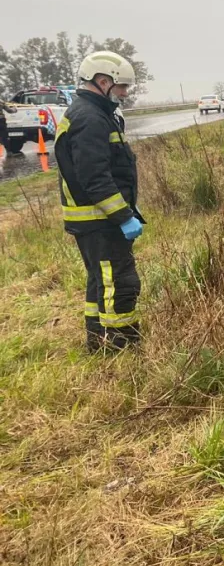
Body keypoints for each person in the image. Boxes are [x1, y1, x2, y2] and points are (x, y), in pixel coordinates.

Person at [54, 51, 145, 352]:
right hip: (100, 221)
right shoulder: (90, 118)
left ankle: (98, 341)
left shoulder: (93, 113)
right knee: (120, 282)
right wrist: (123, 216)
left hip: (96, 219)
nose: (124, 93)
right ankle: (121, 347)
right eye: (121, 87)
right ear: (104, 81)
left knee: (100, 281)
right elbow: (95, 177)